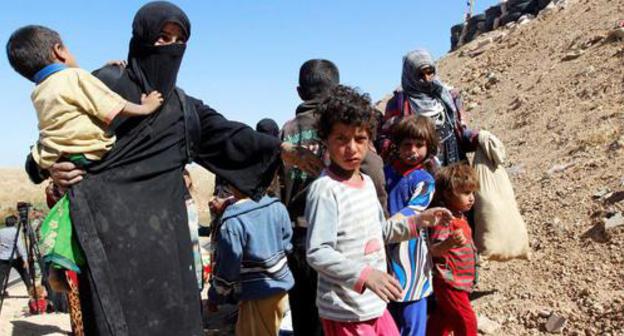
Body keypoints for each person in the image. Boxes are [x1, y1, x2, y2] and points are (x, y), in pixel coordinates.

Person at [19, 2, 321, 335]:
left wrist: (280, 149)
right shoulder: (107, 85)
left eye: (179, 40)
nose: (170, 47)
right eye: (162, 37)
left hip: (167, 246)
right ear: (140, 38)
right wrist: (51, 170)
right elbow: (53, 137)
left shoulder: (180, 106)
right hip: (109, 240)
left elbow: (227, 134)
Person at [304, 85, 452, 336]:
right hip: (346, 310)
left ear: (369, 141)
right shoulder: (325, 190)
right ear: (326, 140)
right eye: (341, 139)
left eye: (360, 139)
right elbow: (318, 252)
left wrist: (417, 222)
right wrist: (365, 275)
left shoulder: (367, 183)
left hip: (374, 304)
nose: (351, 148)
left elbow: (380, 231)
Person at [280, 59, 389, 336]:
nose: (350, 146)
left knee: (306, 317)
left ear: (299, 91)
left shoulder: (289, 130)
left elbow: (277, 186)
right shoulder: (347, 125)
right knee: (338, 316)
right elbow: (373, 170)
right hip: (341, 245)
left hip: (299, 238)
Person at [6, 25, 164, 170]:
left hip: (57, 155)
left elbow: (73, 95)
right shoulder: (75, 77)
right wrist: (145, 108)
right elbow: (111, 103)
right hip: (89, 153)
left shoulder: (40, 91)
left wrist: (103, 70)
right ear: (59, 51)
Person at [210, 183, 294, 336]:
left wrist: (216, 294)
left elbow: (228, 267)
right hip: (279, 288)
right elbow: (287, 245)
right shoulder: (277, 207)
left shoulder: (233, 221)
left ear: (232, 187)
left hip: (255, 293)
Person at [384, 116, 439, 336]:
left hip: (412, 258)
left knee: (413, 322)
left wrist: (383, 228)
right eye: (407, 144)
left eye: (419, 145)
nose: (412, 150)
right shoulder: (385, 173)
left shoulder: (424, 180)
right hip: (384, 256)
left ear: (429, 147)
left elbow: (415, 210)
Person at [378, 49, 478, 166]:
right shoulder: (398, 104)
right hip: (419, 173)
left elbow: (460, 131)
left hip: (454, 164)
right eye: (420, 74)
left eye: (430, 72)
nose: (426, 78)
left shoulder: (448, 96)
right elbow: (385, 139)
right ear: (410, 74)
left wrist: (477, 138)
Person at [427, 164, 479, 336]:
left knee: (444, 318)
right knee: (466, 321)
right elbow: (434, 250)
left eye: (472, 193)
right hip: (450, 281)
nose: (471, 198)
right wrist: (448, 243)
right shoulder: (445, 220)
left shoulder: (460, 216)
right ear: (448, 194)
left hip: (458, 282)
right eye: (465, 193)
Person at [0, 215, 33, 293]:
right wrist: (25, 259)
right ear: (15, 223)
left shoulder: (1, 231)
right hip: (16, 258)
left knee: (1, 277)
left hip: (3, 258)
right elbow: (20, 246)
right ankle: (31, 291)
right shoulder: (15, 231)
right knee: (25, 275)